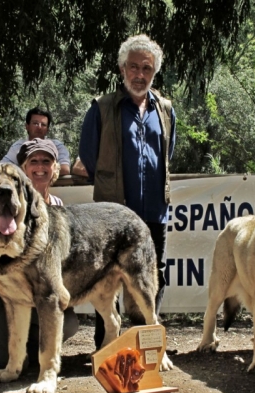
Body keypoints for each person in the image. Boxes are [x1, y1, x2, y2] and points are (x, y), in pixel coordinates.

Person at [78, 34, 176, 349]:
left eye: (146, 69)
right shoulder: (102, 108)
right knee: (106, 278)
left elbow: (167, 153)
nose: (139, 74)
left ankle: (143, 344)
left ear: (153, 72)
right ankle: (106, 347)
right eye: (133, 67)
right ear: (122, 69)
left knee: (150, 276)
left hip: (154, 213)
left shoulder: (166, 109)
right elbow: (89, 156)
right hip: (112, 215)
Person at [0, 138, 79, 369]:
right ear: (22, 169)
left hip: (32, 291)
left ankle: (16, 349)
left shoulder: (58, 206)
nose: (40, 166)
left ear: (54, 169)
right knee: (1, 360)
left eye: (46, 161)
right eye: (33, 161)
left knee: (67, 325)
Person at [1, 107, 71, 176]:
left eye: (43, 124)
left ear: (47, 130)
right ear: (27, 126)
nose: (39, 127)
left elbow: (65, 169)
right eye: (35, 123)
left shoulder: (57, 146)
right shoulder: (18, 146)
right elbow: (1, 168)